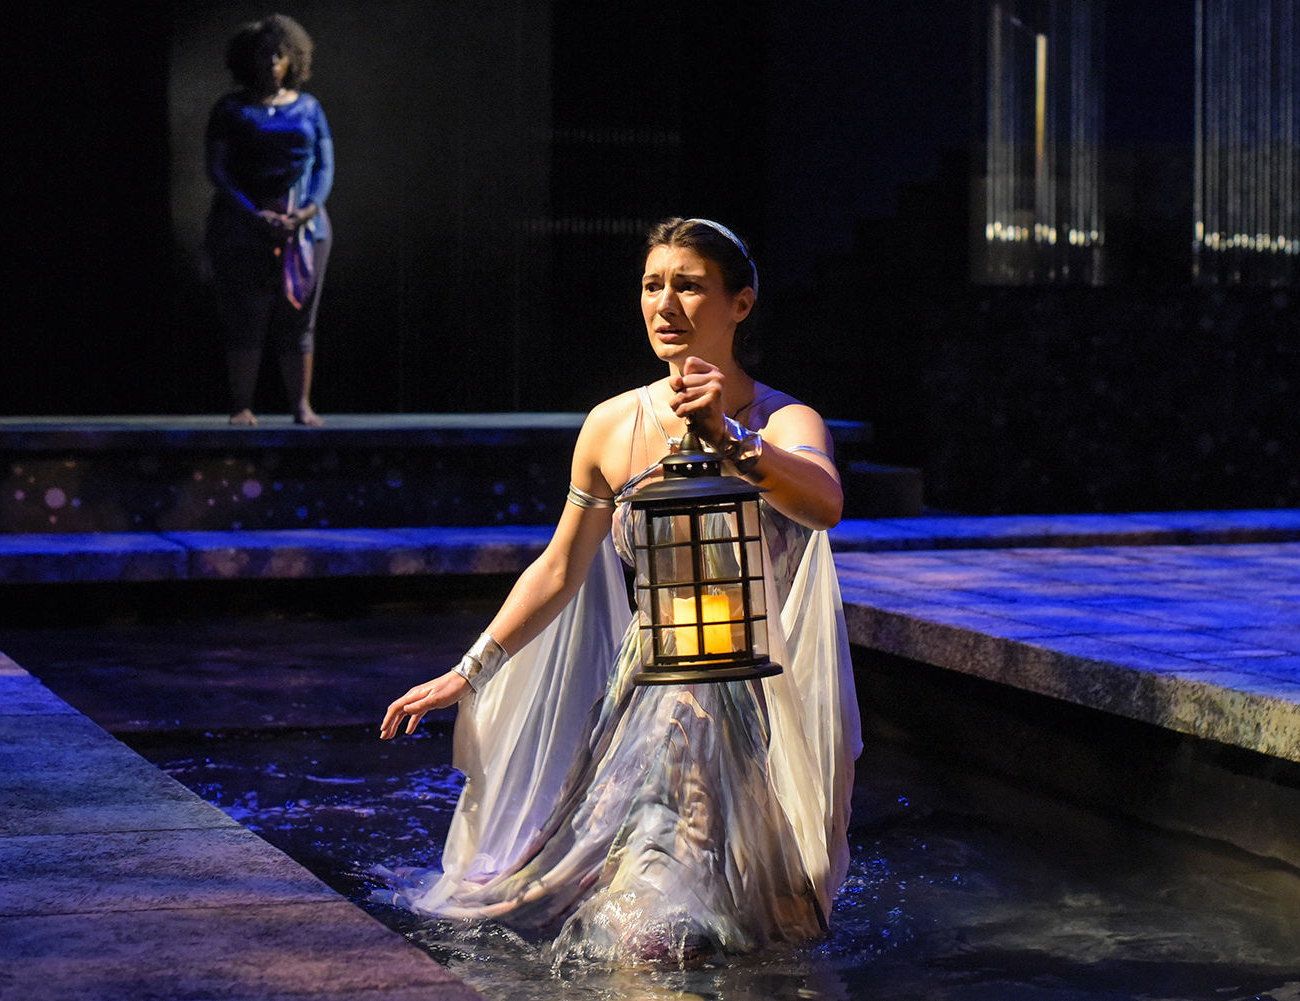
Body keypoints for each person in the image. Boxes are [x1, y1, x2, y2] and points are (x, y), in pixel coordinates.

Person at [378, 218, 861, 966]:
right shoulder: (613, 424)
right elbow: (560, 565)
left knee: (766, 932)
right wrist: (468, 668)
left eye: (690, 284)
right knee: (644, 922)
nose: (665, 303)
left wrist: (732, 438)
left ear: (741, 302)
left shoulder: (783, 420)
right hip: (655, 694)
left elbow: (823, 502)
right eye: (651, 285)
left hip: (762, 695)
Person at [204, 14, 332, 427]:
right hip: (242, 225)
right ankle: (242, 406)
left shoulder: (310, 108)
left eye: (280, 55)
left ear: (292, 60)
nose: (272, 63)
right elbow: (217, 170)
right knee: (246, 315)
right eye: (264, 55)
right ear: (248, 60)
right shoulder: (230, 109)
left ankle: (302, 406)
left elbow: (325, 168)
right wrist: (251, 212)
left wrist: (307, 210)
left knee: (298, 317)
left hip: (305, 225)